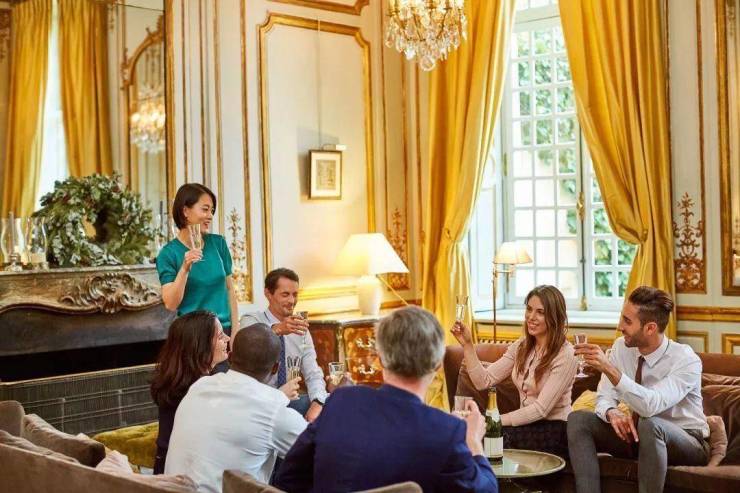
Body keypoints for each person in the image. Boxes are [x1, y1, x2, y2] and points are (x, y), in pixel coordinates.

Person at [274, 306, 498, 493]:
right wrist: (473, 441)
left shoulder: (340, 402)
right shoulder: (447, 431)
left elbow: (288, 478)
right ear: (438, 365)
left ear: (380, 358)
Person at [568, 286, 709, 493]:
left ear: (650, 328)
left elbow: (650, 406)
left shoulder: (685, 360)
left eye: (627, 321)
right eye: (622, 318)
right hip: (638, 435)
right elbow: (605, 395)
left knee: (650, 424)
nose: (620, 326)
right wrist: (611, 412)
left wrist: (609, 368)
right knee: (578, 420)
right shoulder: (621, 347)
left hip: (687, 441)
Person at [164, 323, 308, 492]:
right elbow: (323, 449)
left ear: (230, 357)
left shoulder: (199, 386)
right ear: (276, 368)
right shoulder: (274, 412)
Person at [451, 285, 577, 458]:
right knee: (466, 436)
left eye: (540, 312)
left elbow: (540, 410)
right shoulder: (521, 346)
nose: (531, 317)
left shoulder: (566, 354)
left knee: (488, 438)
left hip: (556, 431)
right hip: (525, 426)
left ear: (555, 316)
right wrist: (467, 344)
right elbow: (484, 381)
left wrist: (493, 421)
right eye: (529, 309)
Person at [156, 183, 239, 364]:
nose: (210, 216)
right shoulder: (168, 254)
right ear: (185, 211)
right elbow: (171, 303)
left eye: (212, 211)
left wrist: (235, 331)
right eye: (205, 209)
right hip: (192, 338)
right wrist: (185, 268)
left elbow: (230, 290)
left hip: (222, 335)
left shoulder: (218, 244)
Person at [240, 268, 328, 421]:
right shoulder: (251, 320)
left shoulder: (301, 329)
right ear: (268, 294)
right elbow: (253, 338)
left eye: (295, 294)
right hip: (258, 403)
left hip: (289, 403)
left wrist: (318, 403)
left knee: (333, 402)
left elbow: (313, 373)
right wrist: (278, 329)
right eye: (285, 294)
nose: (292, 301)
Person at [149, 311, 230, 474]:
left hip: (166, 466)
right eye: (220, 336)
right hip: (182, 475)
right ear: (200, 345)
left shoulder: (177, 380)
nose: (227, 339)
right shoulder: (200, 389)